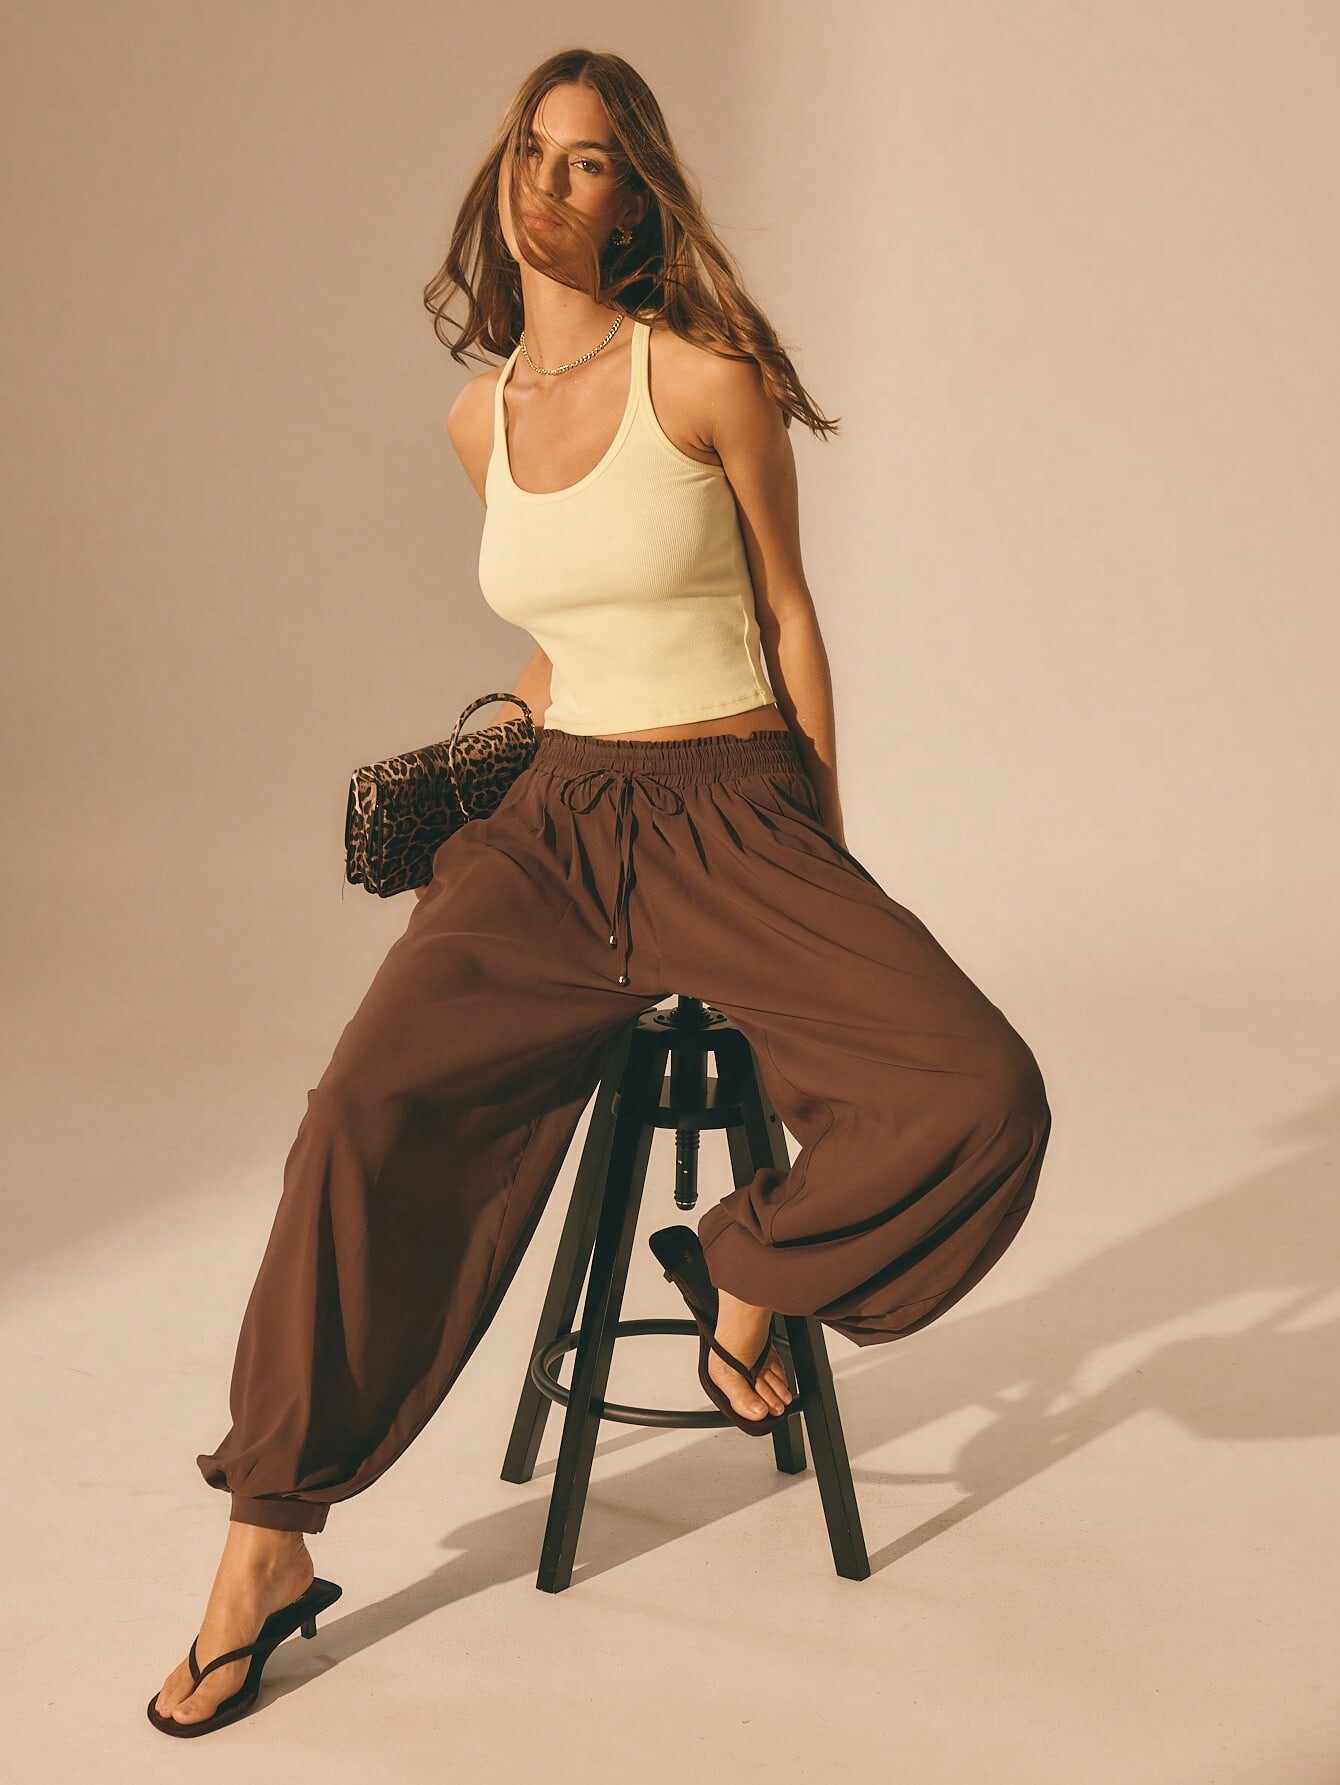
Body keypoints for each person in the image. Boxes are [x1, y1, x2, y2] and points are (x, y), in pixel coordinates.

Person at [151, 48, 1052, 1732]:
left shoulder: (703, 381)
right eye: (530, 152)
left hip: (733, 806)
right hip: (559, 819)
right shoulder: (474, 419)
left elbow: (788, 617)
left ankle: (744, 1263)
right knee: (359, 1109)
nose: (545, 182)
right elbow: (572, 636)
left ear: (634, 201)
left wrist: (824, 846)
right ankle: (264, 1543)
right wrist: (492, 738)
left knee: (980, 1085)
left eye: (585, 162)